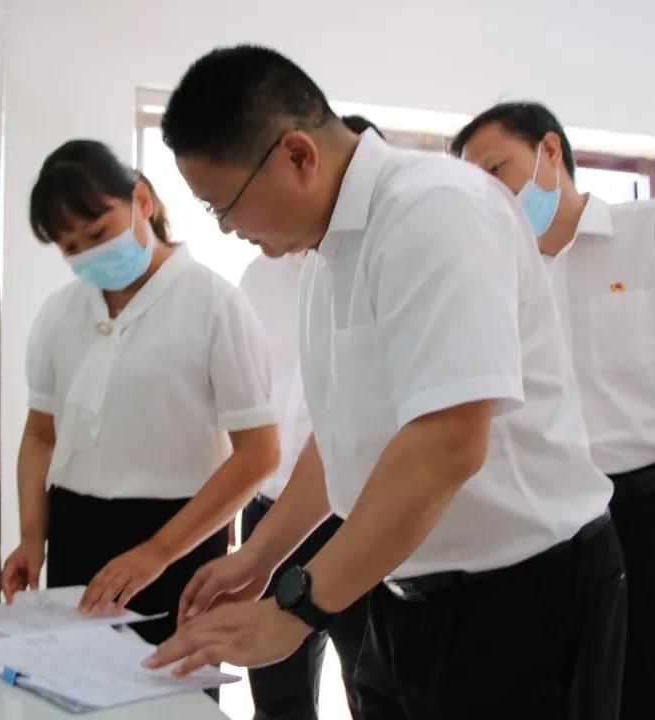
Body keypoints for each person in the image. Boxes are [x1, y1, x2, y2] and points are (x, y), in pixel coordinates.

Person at [145, 45, 625, 720]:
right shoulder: (326, 258)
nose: (227, 228)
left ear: (297, 155)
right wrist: (260, 557)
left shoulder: (436, 210)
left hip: (522, 599)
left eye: (224, 205)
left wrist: (296, 610)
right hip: (405, 593)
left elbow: (446, 446)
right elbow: (344, 439)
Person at [451, 101, 655, 720]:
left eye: (496, 169)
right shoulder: (496, 283)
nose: (490, 193)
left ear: (549, 151)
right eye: (474, 184)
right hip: (553, 533)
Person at [0, 139, 280, 648]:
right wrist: (31, 537)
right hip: (74, 534)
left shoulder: (216, 304)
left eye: (98, 233)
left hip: (180, 539)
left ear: (142, 202)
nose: (89, 253)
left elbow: (259, 454)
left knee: (171, 681)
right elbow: (40, 436)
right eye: (71, 247)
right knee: (73, 679)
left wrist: (159, 550)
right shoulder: (59, 313)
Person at [234, 110, 382, 720]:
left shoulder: (379, 261)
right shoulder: (257, 275)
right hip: (272, 509)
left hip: (358, 514)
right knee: (276, 699)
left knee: (373, 690)